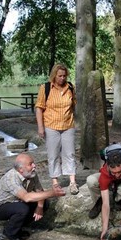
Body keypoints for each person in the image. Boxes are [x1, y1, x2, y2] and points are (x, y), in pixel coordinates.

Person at [0, 153, 66, 240]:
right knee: (22, 209)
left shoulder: (31, 174)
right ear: (21, 169)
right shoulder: (11, 178)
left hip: (15, 202)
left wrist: (39, 207)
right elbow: (26, 197)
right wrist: (52, 193)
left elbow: (39, 191)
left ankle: (16, 228)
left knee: (44, 203)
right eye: (30, 164)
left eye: (33, 163)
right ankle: (9, 233)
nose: (34, 166)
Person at [35, 63, 79, 195]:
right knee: (53, 155)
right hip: (51, 126)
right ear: (54, 75)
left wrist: (72, 118)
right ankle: (55, 182)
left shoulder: (70, 87)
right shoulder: (46, 88)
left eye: (64, 76)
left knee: (70, 154)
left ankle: (72, 182)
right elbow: (39, 108)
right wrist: (40, 127)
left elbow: (74, 105)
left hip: (68, 126)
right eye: (60, 76)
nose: (62, 78)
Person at [86, 149, 121, 240]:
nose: (117, 174)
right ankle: (100, 200)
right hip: (109, 181)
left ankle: (115, 199)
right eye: (114, 172)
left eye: (119, 171)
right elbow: (106, 205)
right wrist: (104, 230)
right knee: (91, 181)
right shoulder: (105, 173)